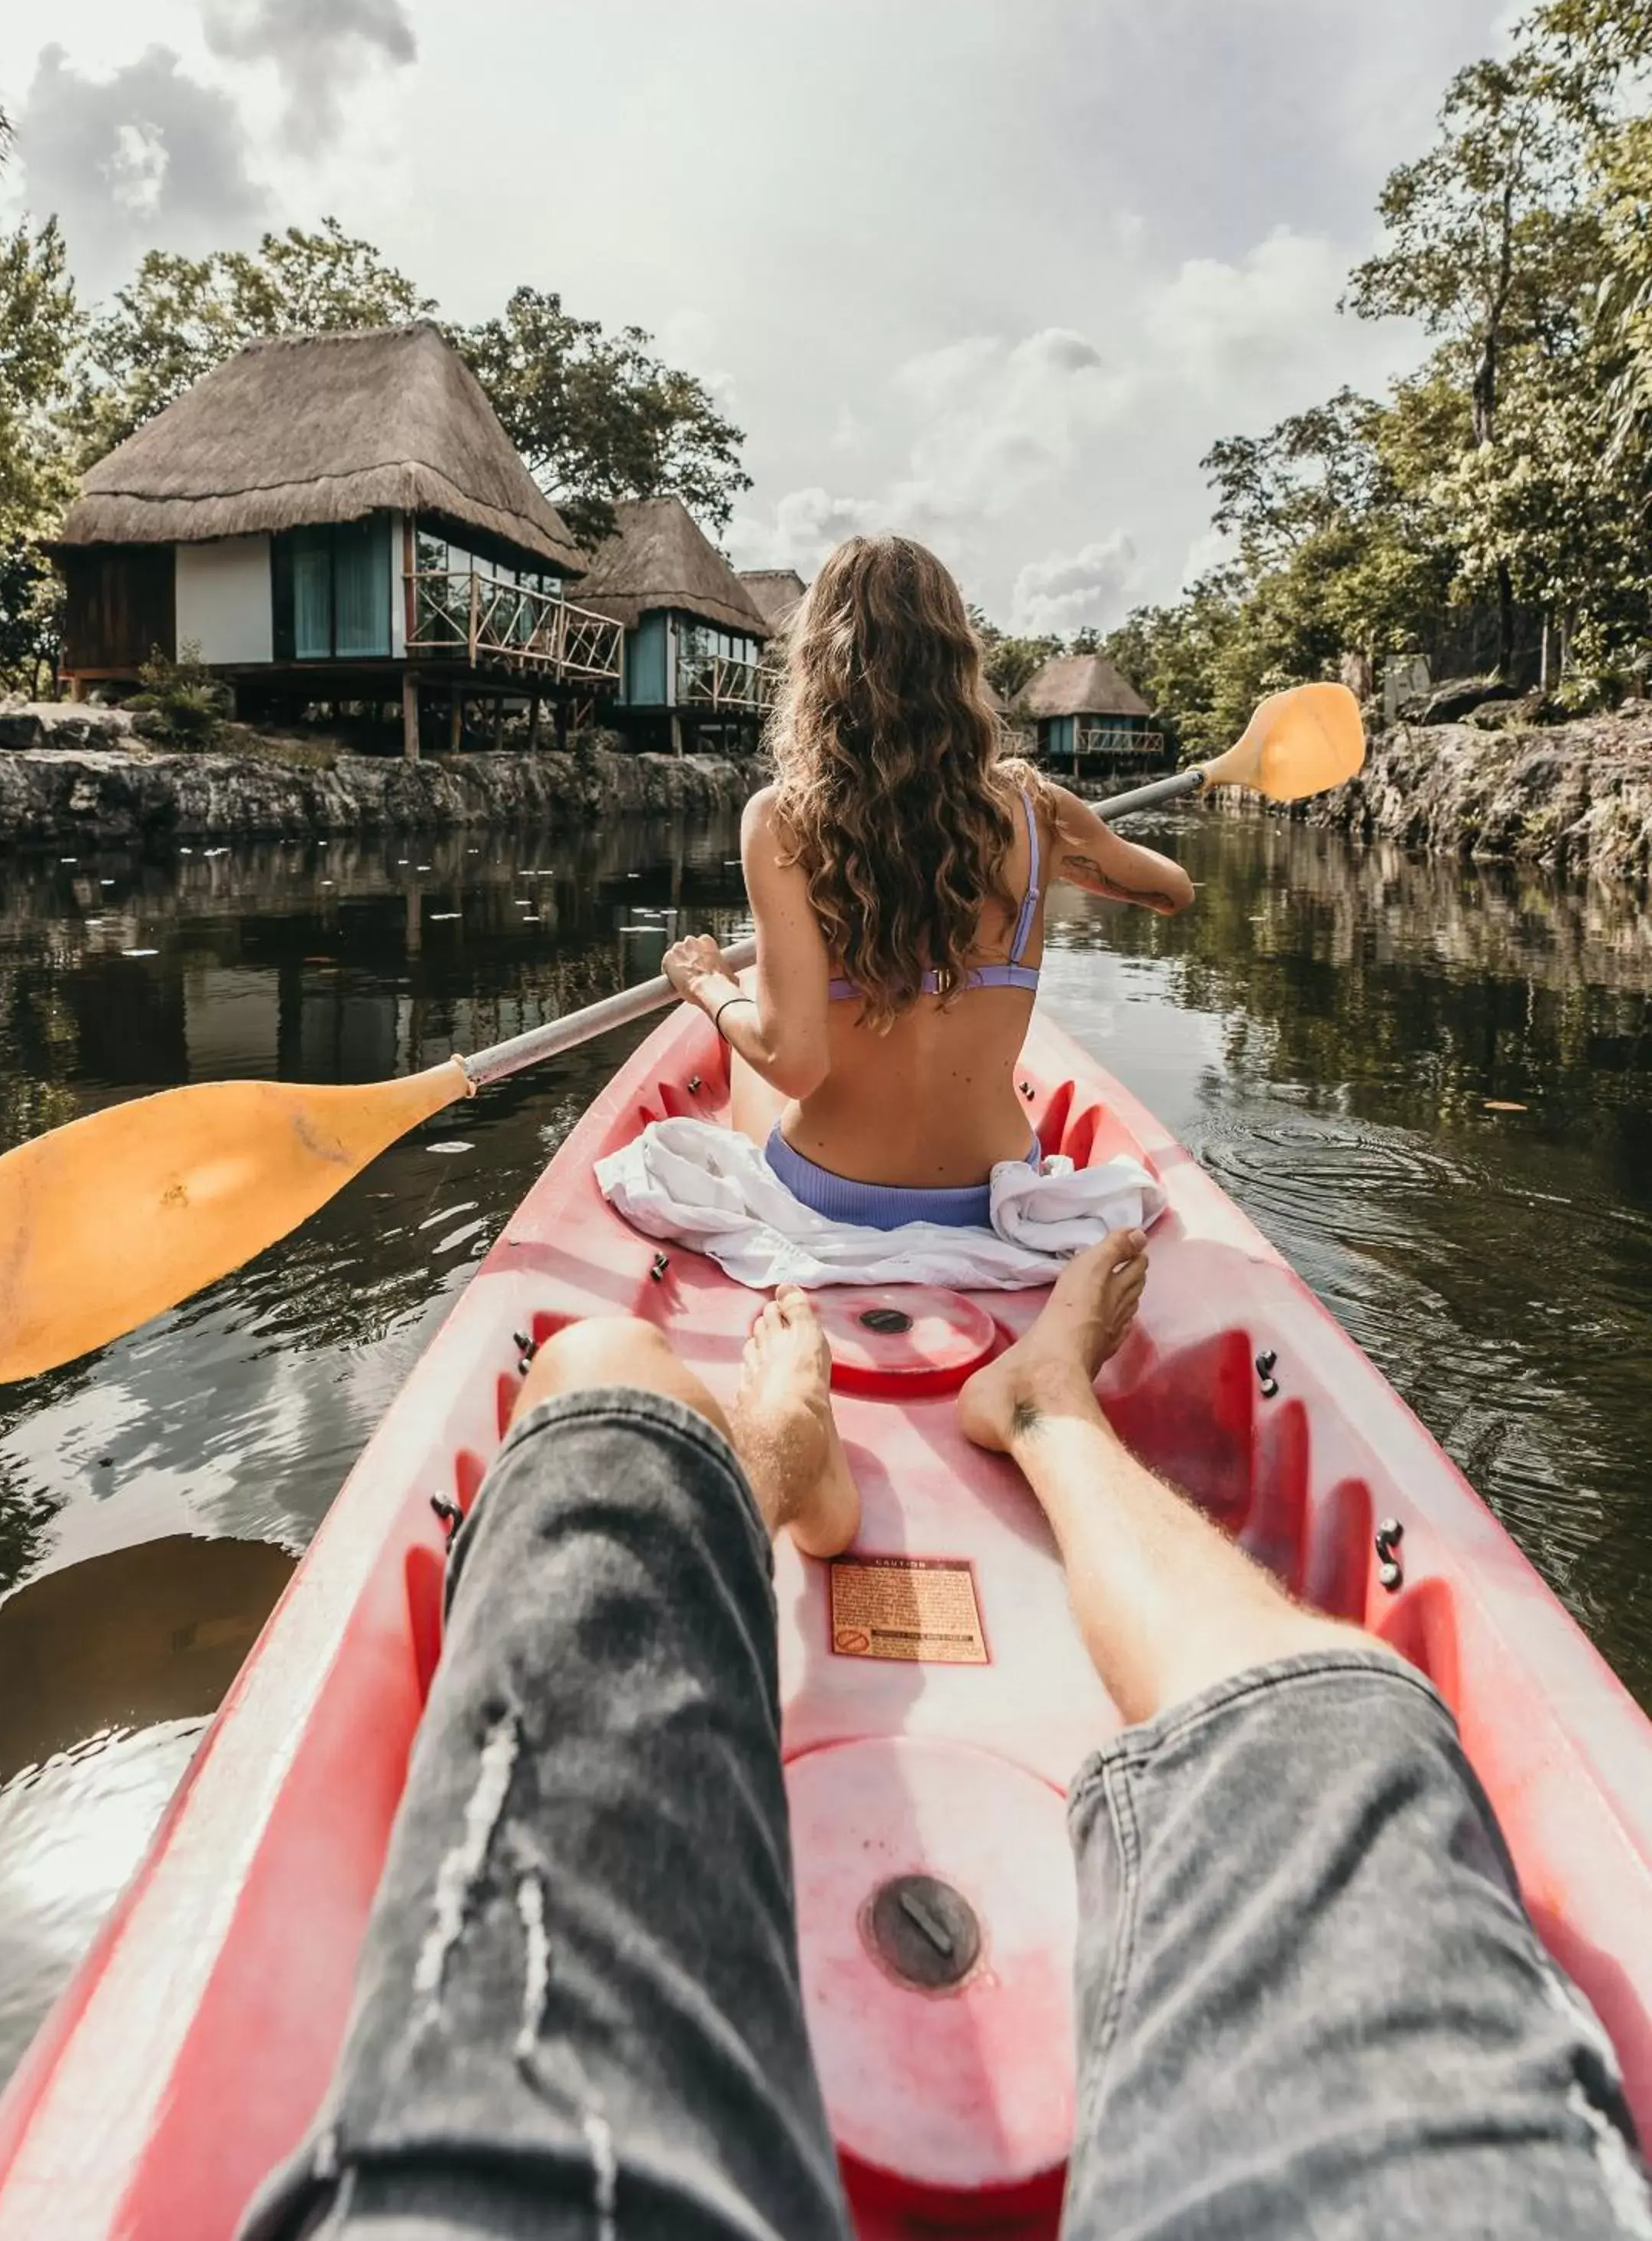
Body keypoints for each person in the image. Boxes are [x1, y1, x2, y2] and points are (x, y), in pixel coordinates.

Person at [237, 1248, 1647, 2241]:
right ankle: (1046, 1409)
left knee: (603, 1376)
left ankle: (774, 1447)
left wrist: (716, 999)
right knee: (1345, 1731)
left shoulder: (784, 844)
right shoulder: (1033, 845)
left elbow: (784, 1048)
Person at [660, 534, 1193, 1230]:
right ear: (956, 664)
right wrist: (1064, 857)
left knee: (741, 1055)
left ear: (819, 666)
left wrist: (707, 985)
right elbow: (1173, 890)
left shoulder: (781, 819)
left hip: (831, 1189)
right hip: (994, 1189)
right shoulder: (1040, 811)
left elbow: (792, 1065)